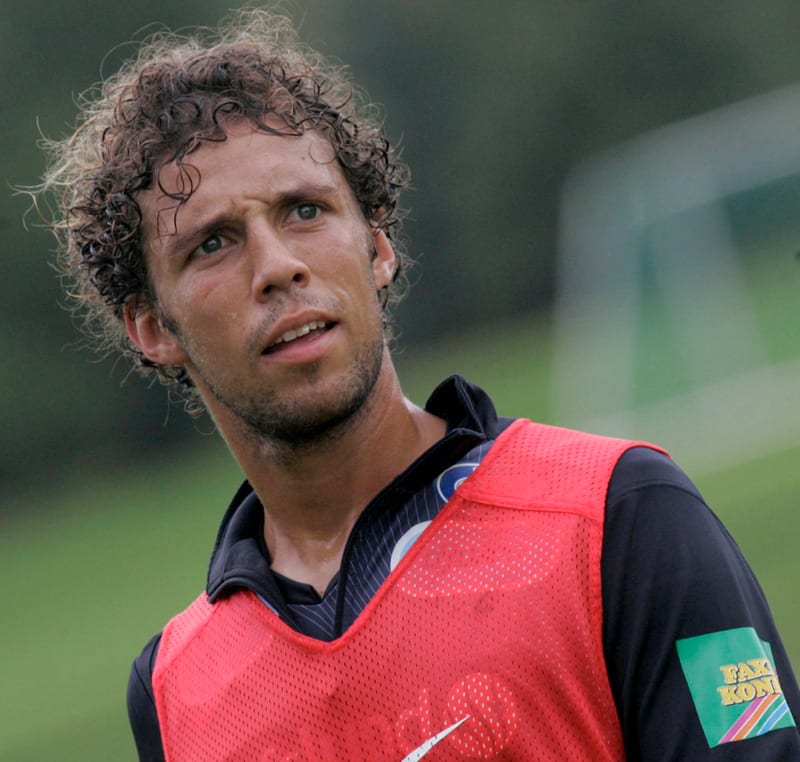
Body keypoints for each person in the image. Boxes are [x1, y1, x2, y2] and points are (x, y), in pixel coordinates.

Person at [38, 9, 800, 761]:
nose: (278, 266)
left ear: (376, 246)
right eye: (213, 244)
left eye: (304, 210)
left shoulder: (618, 517)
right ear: (152, 327)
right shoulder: (173, 693)